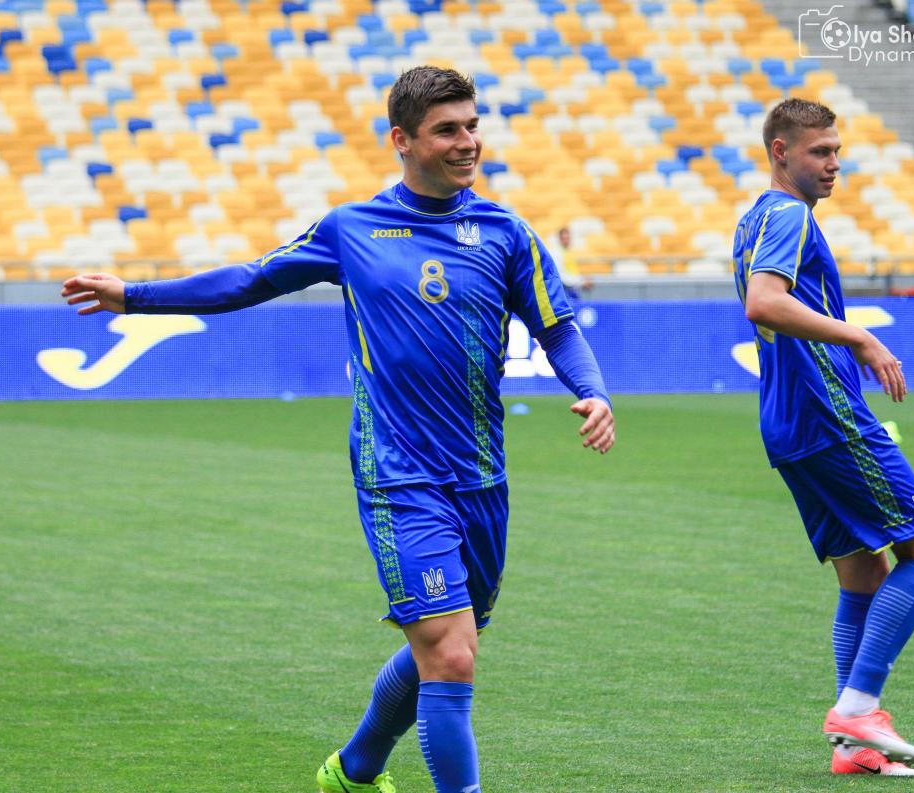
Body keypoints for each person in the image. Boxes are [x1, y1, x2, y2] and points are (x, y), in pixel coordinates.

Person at [61, 66, 615, 793]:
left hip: (481, 476)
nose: (468, 142)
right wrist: (136, 295)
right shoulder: (352, 229)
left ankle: (354, 770)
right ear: (402, 140)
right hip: (398, 474)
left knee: (449, 640)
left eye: (473, 126)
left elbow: (557, 326)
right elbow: (251, 279)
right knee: (451, 654)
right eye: (447, 130)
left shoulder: (506, 232)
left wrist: (593, 391)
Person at [732, 98, 914, 778]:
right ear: (780, 151)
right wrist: (859, 336)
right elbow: (764, 301)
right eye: (819, 152)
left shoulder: (753, 218)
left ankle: (855, 748)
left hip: (788, 421)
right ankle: (858, 708)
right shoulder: (788, 216)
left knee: (863, 571)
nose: (834, 164)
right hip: (827, 415)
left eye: (836, 151)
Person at [547, 226, 591, 298]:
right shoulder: (556, 253)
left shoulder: (569, 252)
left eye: (568, 238)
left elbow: (572, 272)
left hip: (572, 288)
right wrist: (580, 282)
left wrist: (581, 280)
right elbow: (561, 274)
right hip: (565, 290)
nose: (566, 241)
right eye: (564, 238)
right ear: (559, 239)